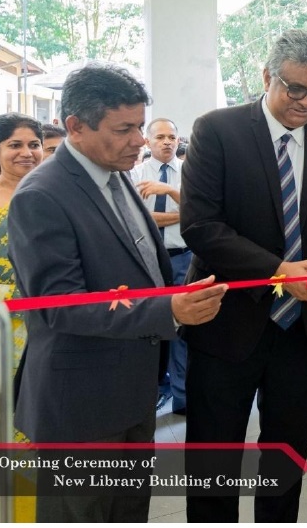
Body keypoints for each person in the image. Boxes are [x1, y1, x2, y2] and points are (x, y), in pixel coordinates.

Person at [7, 61, 227, 522]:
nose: (140, 141)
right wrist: (169, 311)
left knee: (127, 510)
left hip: (130, 387)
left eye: (141, 127)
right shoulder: (42, 196)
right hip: (80, 401)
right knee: (82, 513)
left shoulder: (117, 176)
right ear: (75, 126)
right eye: (124, 129)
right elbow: (60, 305)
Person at [179, 29, 307, 522]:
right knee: (213, 459)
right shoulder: (218, 131)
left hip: (300, 330)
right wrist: (276, 272)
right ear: (267, 77)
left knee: (285, 457)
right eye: (296, 89)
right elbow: (201, 227)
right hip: (226, 324)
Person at [0, 112, 44, 521]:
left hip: (48, 319)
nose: (26, 152)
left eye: (33, 144)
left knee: (34, 415)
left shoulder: (54, 194)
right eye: (15, 145)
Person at [130, 117, 190, 415]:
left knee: (182, 327)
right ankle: (154, 390)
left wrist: (168, 192)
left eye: (172, 136)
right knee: (152, 325)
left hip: (184, 258)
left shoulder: (190, 173)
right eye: (160, 137)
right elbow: (139, 219)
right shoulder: (134, 174)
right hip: (149, 261)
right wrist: (185, 212)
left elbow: (204, 209)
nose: (167, 142)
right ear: (148, 141)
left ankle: (182, 396)